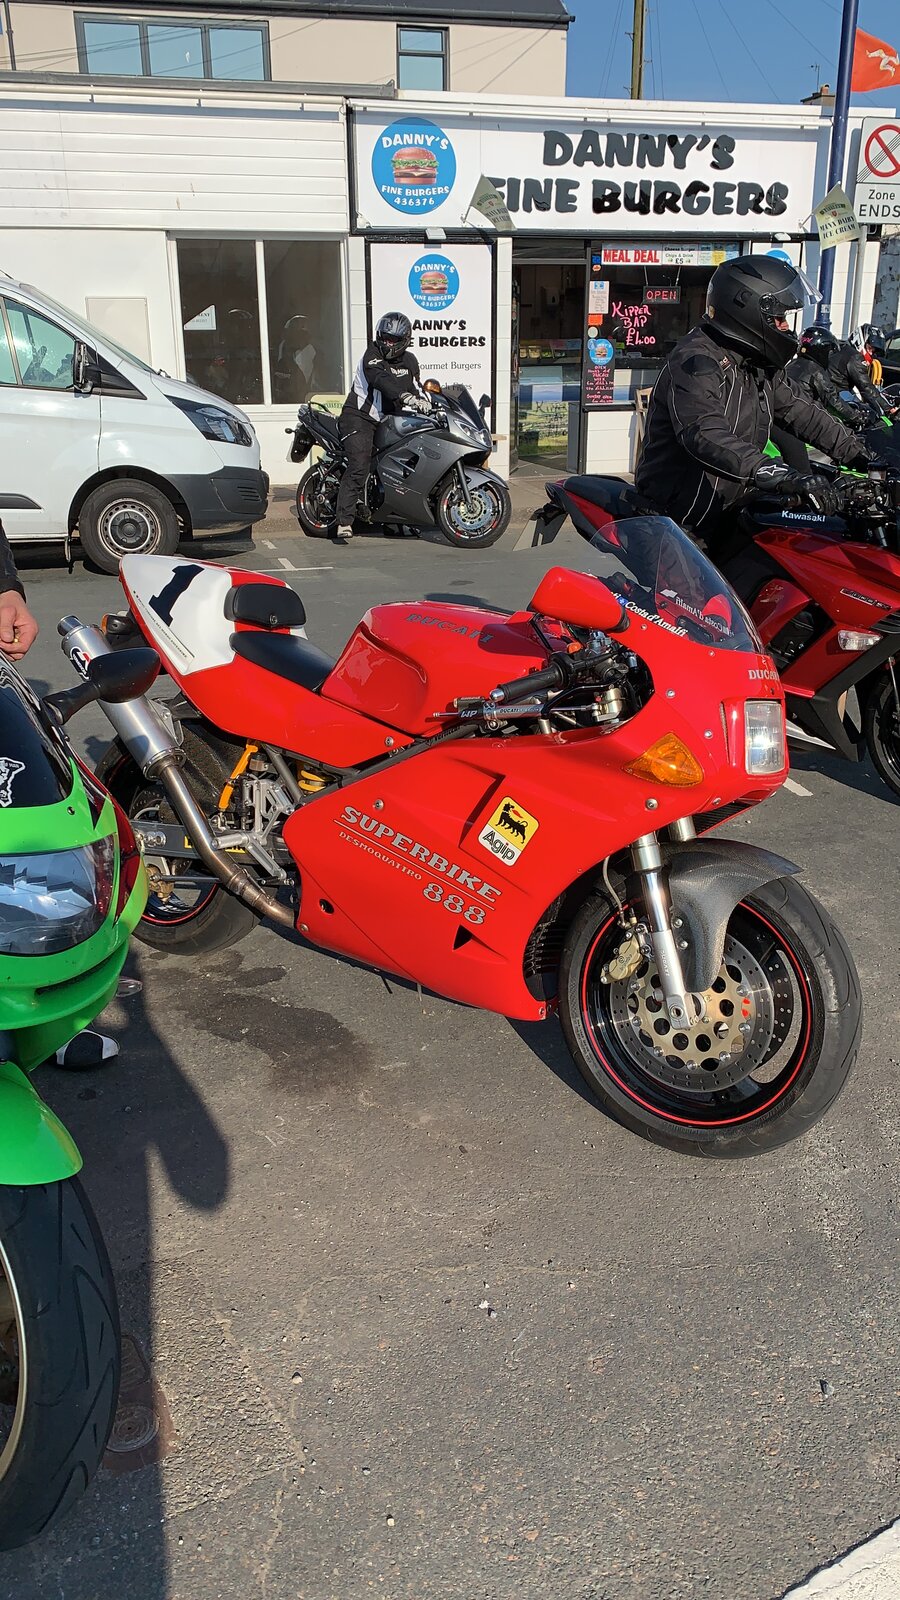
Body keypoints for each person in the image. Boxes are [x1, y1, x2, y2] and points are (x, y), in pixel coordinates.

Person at [634, 257, 878, 556]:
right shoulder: (697, 361)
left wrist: (868, 458)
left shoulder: (758, 364)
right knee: (694, 589)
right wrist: (781, 475)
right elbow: (704, 434)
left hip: (730, 509)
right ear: (747, 310)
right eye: (779, 318)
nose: (786, 327)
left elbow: (804, 413)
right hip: (678, 523)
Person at [335, 312, 428, 544]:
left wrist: (428, 403)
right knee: (360, 464)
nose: (388, 343)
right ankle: (344, 521)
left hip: (390, 419)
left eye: (393, 339)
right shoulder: (372, 355)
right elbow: (380, 380)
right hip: (359, 417)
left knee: (402, 466)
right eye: (385, 337)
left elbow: (417, 387)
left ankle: (394, 520)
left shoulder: (410, 361)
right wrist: (404, 396)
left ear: (404, 340)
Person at [828, 325, 896, 416]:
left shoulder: (844, 348)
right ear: (860, 341)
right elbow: (866, 386)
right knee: (863, 415)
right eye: (870, 348)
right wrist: (888, 408)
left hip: (832, 390)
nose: (871, 353)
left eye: (874, 351)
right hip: (835, 393)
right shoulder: (856, 357)